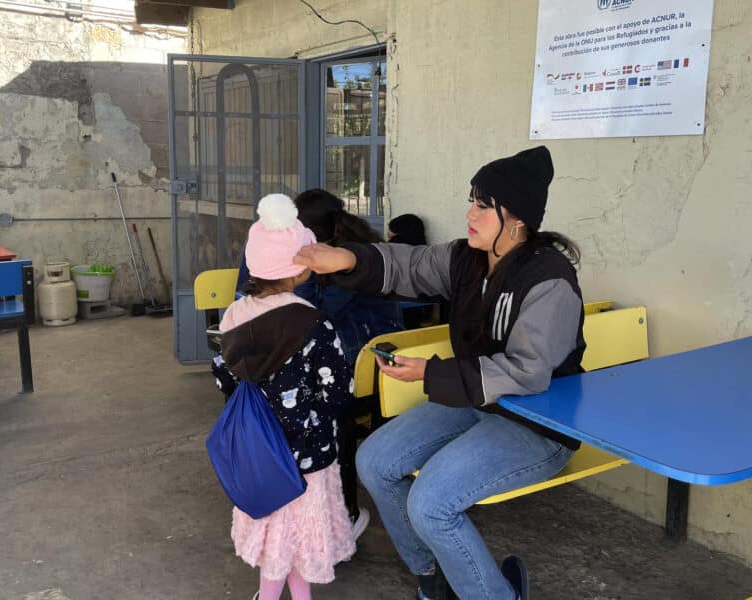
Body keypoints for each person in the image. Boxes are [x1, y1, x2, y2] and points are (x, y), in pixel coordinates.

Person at [294, 146, 585, 600]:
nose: (469, 213)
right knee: (374, 461)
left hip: (538, 422)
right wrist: (349, 259)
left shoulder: (550, 279)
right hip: (476, 402)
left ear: (518, 219)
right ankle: (433, 577)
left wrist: (431, 377)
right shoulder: (466, 259)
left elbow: (527, 373)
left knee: (429, 504)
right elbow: (408, 264)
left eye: (482, 205)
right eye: (471, 200)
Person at [236, 188, 405, 540]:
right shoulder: (300, 257)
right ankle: (294, 505)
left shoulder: (348, 263)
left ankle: (341, 515)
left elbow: (309, 319)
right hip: (345, 357)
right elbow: (255, 300)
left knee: (318, 418)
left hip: (368, 366)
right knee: (282, 404)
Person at [212, 194, 355, 600]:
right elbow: (337, 391)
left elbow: (222, 375)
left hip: (257, 452)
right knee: (297, 539)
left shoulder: (234, 315)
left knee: (279, 538)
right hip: (308, 457)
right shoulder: (314, 323)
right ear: (298, 269)